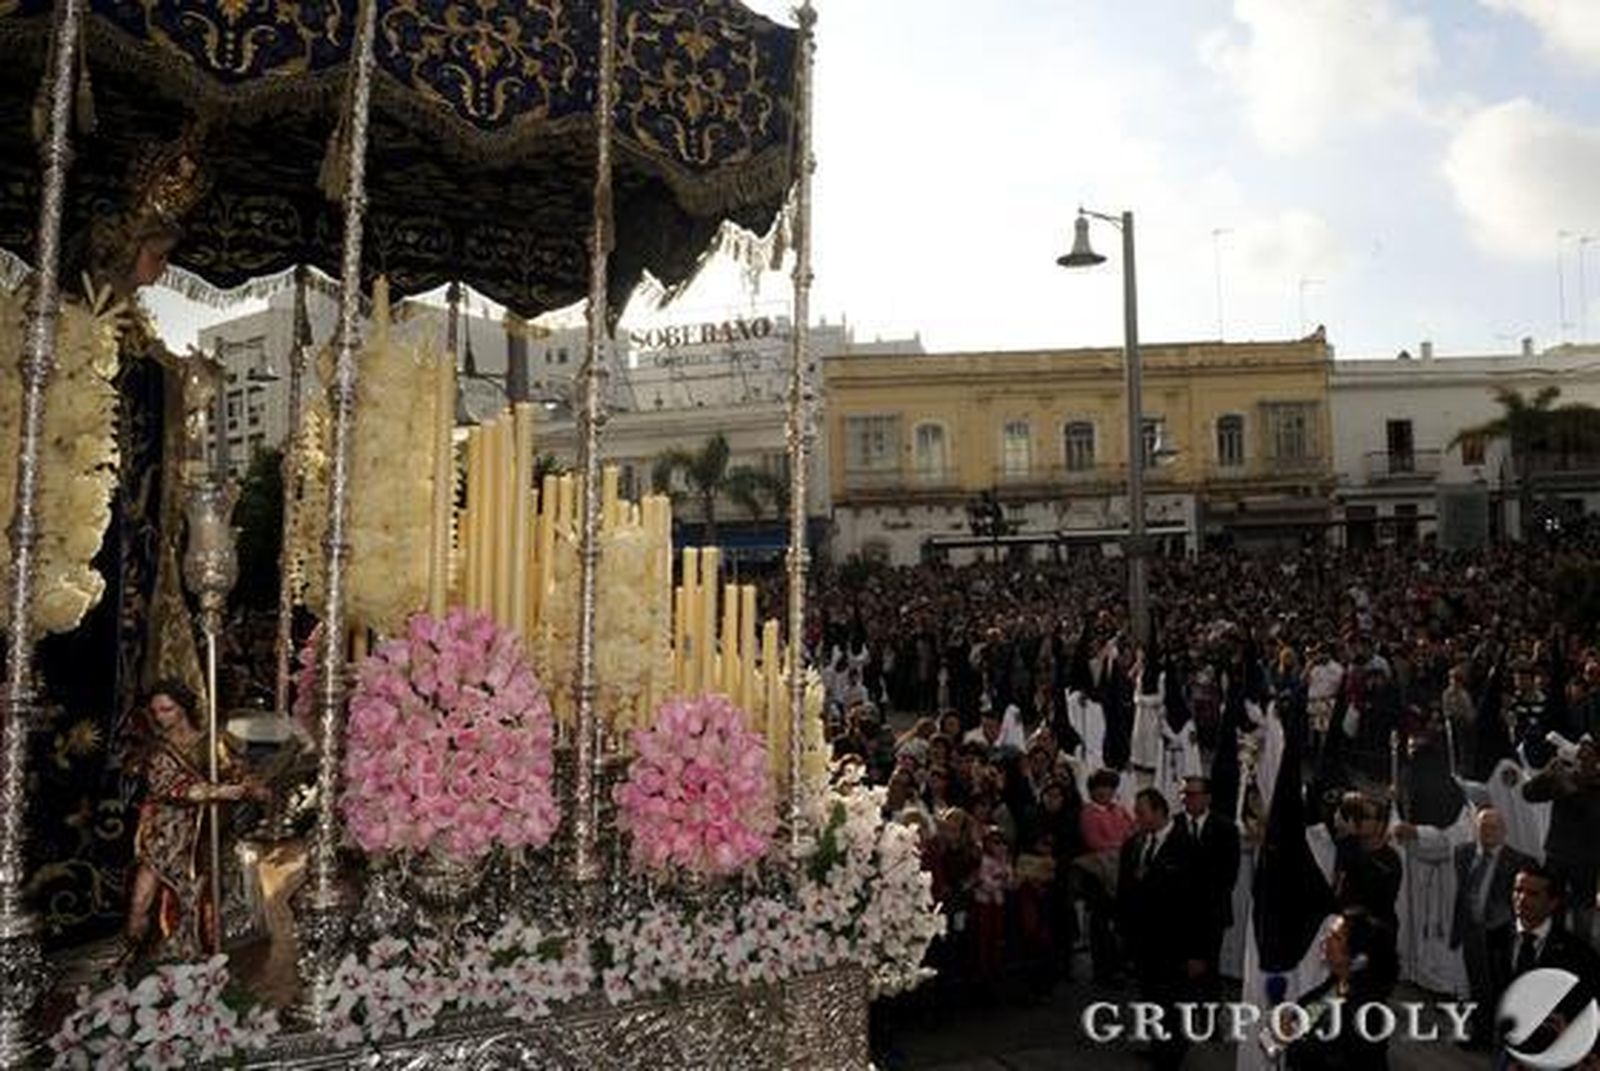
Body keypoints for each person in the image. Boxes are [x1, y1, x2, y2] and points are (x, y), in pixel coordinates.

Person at [120, 680, 265, 966]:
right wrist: (217, 791)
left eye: (167, 710)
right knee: (147, 882)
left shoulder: (211, 741)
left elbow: (235, 771)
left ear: (183, 709)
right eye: (156, 711)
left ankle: (196, 945)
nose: (161, 717)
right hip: (167, 826)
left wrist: (249, 785)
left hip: (205, 827)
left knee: (203, 885)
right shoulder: (158, 750)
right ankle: (139, 938)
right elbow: (174, 787)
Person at [1117, 788, 1197, 1071]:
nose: (1137, 818)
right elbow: (1125, 890)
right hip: (1143, 940)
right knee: (1149, 995)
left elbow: (1195, 903)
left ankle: (1172, 1052)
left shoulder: (1185, 847)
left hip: (1172, 941)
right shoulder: (1135, 844)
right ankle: (1156, 1045)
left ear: (1160, 811)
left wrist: (1195, 951)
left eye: (1142, 812)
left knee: (1171, 999)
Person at [1487, 862, 1600, 1062]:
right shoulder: (1493, 939)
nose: (1522, 899)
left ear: (1553, 902)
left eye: (1533, 894)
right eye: (1518, 890)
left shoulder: (1579, 953)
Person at [1449, 807, 1530, 1048]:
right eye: (1484, 826)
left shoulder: (1519, 861)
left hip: (1501, 934)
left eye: (1494, 827)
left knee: (1501, 985)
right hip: (1472, 931)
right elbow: (1462, 895)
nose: (1488, 832)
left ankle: (1507, 1038)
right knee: (1477, 985)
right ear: (1476, 828)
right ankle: (1481, 1034)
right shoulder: (1462, 854)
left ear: (1504, 831)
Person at [1280, 907, 1399, 1071]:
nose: (1325, 939)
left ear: (1358, 958)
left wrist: (1294, 1040)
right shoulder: (1336, 983)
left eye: (1336, 937)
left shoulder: (1366, 1010)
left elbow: (1337, 1061)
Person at [1177, 775, 1239, 998]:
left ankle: (1209, 1019)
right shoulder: (1175, 826)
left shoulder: (1226, 829)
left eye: (1193, 794)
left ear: (1207, 798)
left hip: (1212, 911)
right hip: (1180, 911)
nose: (1187, 800)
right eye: (1185, 795)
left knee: (1209, 969)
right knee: (1182, 971)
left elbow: (1229, 874)